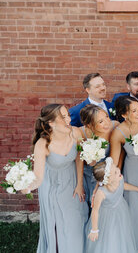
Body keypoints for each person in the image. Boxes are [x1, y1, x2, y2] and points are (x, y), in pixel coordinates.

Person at [21, 104, 88, 253]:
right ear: (51, 123)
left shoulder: (75, 133)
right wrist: (28, 187)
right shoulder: (43, 144)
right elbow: (38, 177)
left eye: (67, 115)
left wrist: (79, 184)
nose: (68, 120)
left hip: (72, 183)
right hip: (52, 188)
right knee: (57, 228)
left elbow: (79, 159)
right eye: (62, 117)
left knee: (75, 224)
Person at [110, 95, 138, 249]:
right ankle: (137, 247)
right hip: (134, 176)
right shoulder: (119, 132)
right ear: (124, 115)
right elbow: (113, 163)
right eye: (134, 111)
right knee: (137, 213)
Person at [85, 157, 138, 253]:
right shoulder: (101, 193)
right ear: (108, 180)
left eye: (116, 168)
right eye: (115, 172)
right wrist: (94, 229)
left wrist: (137, 189)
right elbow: (95, 211)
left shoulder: (119, 178)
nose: (118, 170)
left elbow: (123, 185)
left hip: (121, 210)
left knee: (121, 234)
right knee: (110, 237)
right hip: (107, 217)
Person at [79, 104, 119, 205]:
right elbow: (80, 160)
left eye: (106, 117)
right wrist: (91, 161)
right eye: (100, 121)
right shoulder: (81, 133)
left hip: (110, 171)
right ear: (89, 125)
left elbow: (119, 154)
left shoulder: (115, 126)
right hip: (90, 175)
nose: (107, 123)